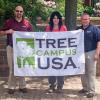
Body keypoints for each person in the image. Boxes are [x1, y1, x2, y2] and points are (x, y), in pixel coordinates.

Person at [0, 5, 33, 94]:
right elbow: (1, 33)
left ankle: (22, 86)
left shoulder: (27, 23)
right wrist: (7, 31)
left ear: (23, 12)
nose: (19, 13)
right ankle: (11, 87)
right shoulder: (9, 22)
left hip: (22, 50)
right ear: (15, 12)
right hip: (11, 48)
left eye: (21, 11)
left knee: (22, 67)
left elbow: (32, 35)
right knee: (12, 68)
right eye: (17, 11)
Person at [77, 13, 100, 98]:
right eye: (83, 19)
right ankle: (85, 88)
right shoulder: (78, 29)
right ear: (81, 20)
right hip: (80, 54)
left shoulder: (94, 29)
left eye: (87, 19)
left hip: (91, 52)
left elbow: (99, 41)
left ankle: (91, 91)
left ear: (89, 20)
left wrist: (97, 53)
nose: (85, 21)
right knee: (82, 72)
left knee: (91, 72)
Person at [45, 11, 67, 93]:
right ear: (52, 19)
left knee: (60, 69)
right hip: (51, 53)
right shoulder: (48, 28)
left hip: (61, 53)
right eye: (54, 18)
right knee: (51, 69)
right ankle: (51, 86)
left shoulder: (63, 28)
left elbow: (66, 40)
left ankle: (60, 86)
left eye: (57, 18)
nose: (56, 19)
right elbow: (45, 40)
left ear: (59, 19)